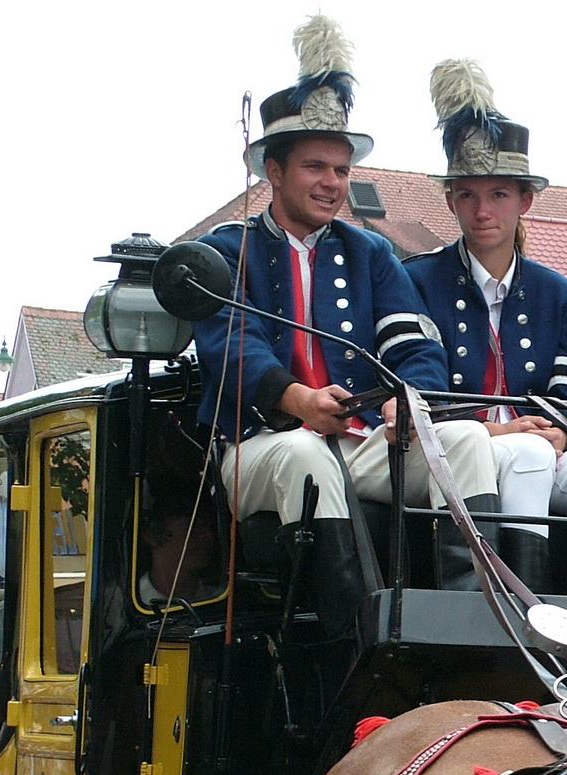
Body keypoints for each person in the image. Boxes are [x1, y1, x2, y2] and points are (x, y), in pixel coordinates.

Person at [191, 17, 499, 635]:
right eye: (315, 167)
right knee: (306, 452)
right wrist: (298, 398)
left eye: (341, 169)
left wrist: (407, 403)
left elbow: (415, 343)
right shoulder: (228, 248)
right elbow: (228, 344)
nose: (333, 183)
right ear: (272, 172)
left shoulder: (371, 253)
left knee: (465, 439)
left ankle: (473, 627)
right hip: (259, 449)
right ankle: (354, 640)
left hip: (358, 440)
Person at [405, 59, 567, 593]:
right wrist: (507, 431)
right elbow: (418, 391)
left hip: (540, 443)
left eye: (498, 195)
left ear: (525, 201)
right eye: (467, 194)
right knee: (530, 454)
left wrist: (565, 429)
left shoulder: (557, 291)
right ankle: (520, 615)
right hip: (465, 449)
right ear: (450, 200)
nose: (482, 210)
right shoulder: (417, 281)